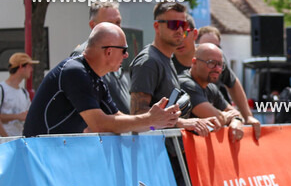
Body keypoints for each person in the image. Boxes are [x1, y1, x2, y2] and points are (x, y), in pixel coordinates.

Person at [23, 23, 179, 137]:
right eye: (124, 50)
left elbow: (118, 118)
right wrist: (149, 119)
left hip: (53, 154)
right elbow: (100, 124)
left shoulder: (94, 77)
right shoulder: (75, 71)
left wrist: (155, 122)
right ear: (109, 51)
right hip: (40, 158)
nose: (126, 56)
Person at [194, 25, 262, 136]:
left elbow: (233, 84)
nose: (215, 68)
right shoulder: (187, 80)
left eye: (216, 46)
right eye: (206, 46)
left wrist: (245, 117)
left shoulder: (219, 64)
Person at [130, 1, 189, 115]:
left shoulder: (166, 59)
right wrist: (180, 123)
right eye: (174, 24)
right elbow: (138, 114)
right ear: (157, 26)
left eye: (184, 25)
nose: (180, 30)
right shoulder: (148, 62)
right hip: (152, 133)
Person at [180, 43, 247, 141]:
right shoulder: (185, 84)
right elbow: (218, 118)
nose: (217, 69)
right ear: (194, 62)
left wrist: (237, 120)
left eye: (220, 64)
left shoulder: (211, 87)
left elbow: (235, 113)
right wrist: (227, 116)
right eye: (211, 63)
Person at [73, 2, 131, 114]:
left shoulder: (117, 52)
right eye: (109, 24)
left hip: (121, 128)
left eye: (118, 22)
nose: (116, 28)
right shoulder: (83, 55)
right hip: (104, 128)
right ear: (92, 26)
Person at [1, 52, 36, 137]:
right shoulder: (2, 89)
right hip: (4, 144)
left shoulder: (24, 93)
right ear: (21, 66)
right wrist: (7, 139)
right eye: (29, 66)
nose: (31, 69)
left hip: (18, 142)